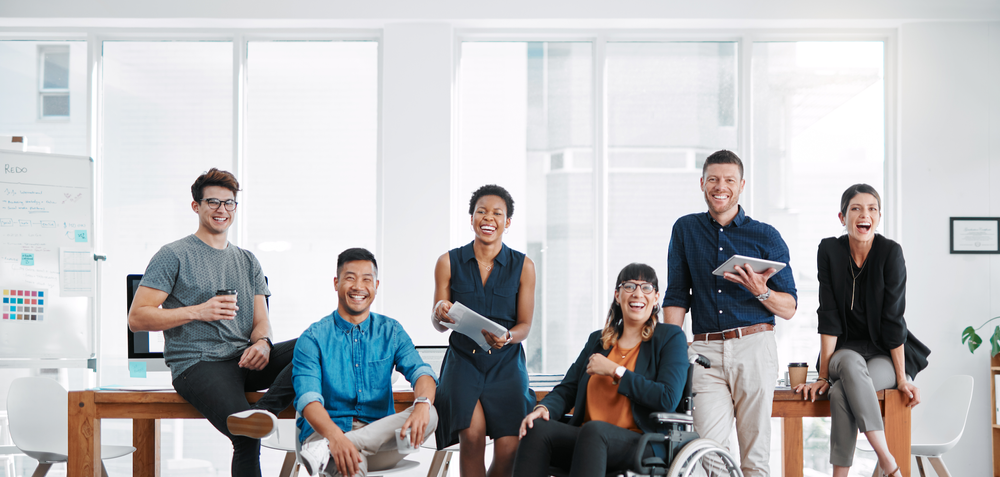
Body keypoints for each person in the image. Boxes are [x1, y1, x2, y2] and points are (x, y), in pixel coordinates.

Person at [128, 168, 295, 477]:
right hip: (197, 364)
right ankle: (254, 421)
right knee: (246, 436)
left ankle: (265, 411)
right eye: (213, 202)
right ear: (197, 206)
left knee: (317, 342)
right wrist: (198, 311)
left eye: (229, 203)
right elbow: (137, 318)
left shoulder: (247, 261)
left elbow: (262, 322)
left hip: (243, 360)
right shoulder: (173, 255)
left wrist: (263, 342)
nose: (222, 210)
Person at [662, 150, 797, 477]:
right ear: (702, 183)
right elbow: (677, 292)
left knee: (755, 454)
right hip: (705, 351)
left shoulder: (765, 235)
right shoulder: (685, 229)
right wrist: (674, 348)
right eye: (713, 179)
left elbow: (790, 307)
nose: (720, 186)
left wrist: (760, 291)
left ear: (741, 186)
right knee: (710, 451)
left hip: (754, 345)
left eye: (728, 180)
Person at [793, 184, 929, 477]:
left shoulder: (890, 253)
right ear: (842, 217)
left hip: (883, 352)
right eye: (855, 208)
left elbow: (894, 320)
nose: (863, 214)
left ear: (879, 217)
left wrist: (902, 377)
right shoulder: (829, 250)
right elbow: (828, 315)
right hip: (844, 353)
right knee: (851, 365)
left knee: (843, 391)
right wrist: (823, 375)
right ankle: (888, 460)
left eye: (871, 209)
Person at [512, 263, 688, 477]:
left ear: (656, 297)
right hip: (588, 436)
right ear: (617, 295)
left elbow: (667, 398)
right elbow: (568, 388)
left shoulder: (669, 338)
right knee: (537, 428)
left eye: (646, 288)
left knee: (594, 431)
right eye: (629, 286)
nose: (638, 294)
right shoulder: (599, 340)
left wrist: (616, 370)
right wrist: (544, 409)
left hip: (640, 440)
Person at [293, 248, 439, 477]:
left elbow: (422, 373)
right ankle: (333, 445)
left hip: (378, 440)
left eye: (366, 279)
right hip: (329, 432)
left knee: (430, 413)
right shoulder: (312, 338)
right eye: (350, 278)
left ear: (376, 286)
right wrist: (335, 438)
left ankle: (329, 449)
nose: (358, 286)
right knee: (351, 464)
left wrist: (421, 403)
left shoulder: (391, 331)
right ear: (336, 283)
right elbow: (308, 401)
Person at [431, 184, 536, 477]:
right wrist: (439, 311)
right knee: (473, 437)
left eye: (497, 213)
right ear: (471, 217)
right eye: (481, 212)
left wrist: (508, 337)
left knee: (509, 447)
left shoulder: (524, 265)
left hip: (506, 363)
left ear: (507, 222)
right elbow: (439, 323)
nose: (488, 218)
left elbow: (525, 325)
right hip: (463, 362)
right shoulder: (448, 261)